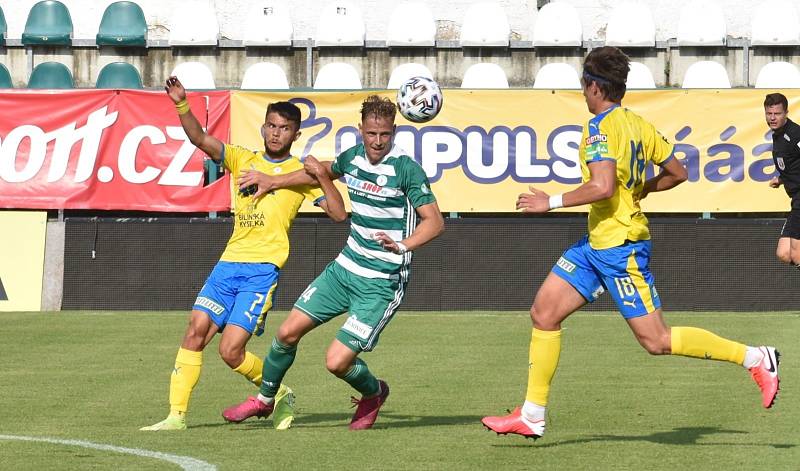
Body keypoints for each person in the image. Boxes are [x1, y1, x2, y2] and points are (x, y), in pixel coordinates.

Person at [482, 47, 781, 440]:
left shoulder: (600, 129)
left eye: (583, 85)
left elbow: (603, 186)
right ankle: (532, 414)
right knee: (544, 313)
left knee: (656, 341)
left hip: (621, 247)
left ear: (593, 86)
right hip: (597, 243)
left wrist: (549, 202)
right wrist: (641, 188)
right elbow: (678, 172)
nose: (582, 92)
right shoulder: (637, 124)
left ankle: (756, 358)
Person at [220, 95, 445, 430]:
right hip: (343, 270)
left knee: (336, 362)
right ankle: (265, 401)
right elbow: (319, 173)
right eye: (371, 134)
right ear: (361, 131)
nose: (377, 142)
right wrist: (273, 181)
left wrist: (402, 245)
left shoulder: (406, 170)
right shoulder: (352, 158)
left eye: (384, 134)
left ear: (394, 131)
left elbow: (435, 222)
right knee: (286, 333)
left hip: (381, 281)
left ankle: (374, 392)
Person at [140, 76, 347, 431]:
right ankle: (176, 415)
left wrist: (321, 178)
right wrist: (181, 103)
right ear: (263, 126)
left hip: (261, 271)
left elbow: (339, 214)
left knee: (230, 351)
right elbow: (199, 138)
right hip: (227, 266)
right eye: (271, 125)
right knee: (194, 332)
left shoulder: (300, 175)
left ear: (296, 135)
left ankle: (280, 392)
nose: (276, 133)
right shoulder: (242, 158)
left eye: (284, 128)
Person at [763, 93, 800, 269]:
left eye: (777, 113)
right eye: (769, 113)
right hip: (796, 201)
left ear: (786, 113)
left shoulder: (795, 135)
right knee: (784, 253)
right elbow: (793, 165)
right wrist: (781, 179)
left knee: (796, 254)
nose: (772, 118)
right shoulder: (778, 134)